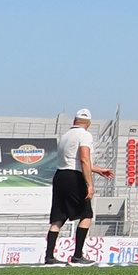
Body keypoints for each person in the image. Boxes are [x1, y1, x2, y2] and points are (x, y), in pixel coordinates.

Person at [47, 109, 109, 265]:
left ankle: (49, 256)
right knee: (86, 214)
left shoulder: (66, 136)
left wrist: (98, 169)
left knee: (58, 218)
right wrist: (90, 184)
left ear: (74, 121)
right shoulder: (85, 135)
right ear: (89, 123)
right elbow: (83, 159)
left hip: (60, 176)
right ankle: (77, 255)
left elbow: (72, 160)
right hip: (74, 178)